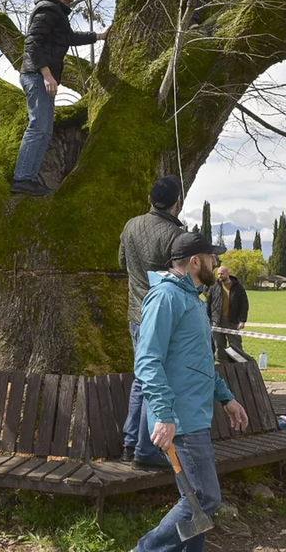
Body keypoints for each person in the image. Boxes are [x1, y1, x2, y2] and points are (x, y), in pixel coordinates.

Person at [133, 232, 249, 552]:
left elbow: (200, 362)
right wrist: (165, 414)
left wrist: (226, 398)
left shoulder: (193, 301)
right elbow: (147, 361)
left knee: (197, 502)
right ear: (195, 261)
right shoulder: (166, 297)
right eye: (212, 257)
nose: (217, 263)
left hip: (194, 414)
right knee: (204, 498)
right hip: (179, 419)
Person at [10, 0, 107, 196]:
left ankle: (29, 178)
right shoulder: (46, 10)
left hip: (42, 76)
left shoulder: (57, 13)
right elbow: (31, 43)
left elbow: (69, 38)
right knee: (38, 127)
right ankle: (22, 178)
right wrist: (46, 74)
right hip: (36, 75)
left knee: (45, 130)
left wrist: (99, 36)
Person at [118, 175, 186, 469]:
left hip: (135, 314)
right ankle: (145, 451)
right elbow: (180, 279)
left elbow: (122, 263)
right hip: (160, 318)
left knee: (141, 380)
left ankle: (129, 442)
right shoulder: (174, 236)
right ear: (177, 204)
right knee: (155, 382)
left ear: (150, 199)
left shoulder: (130, 225)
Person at [206, 266, 252, 364]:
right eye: (218, 274)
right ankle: (223, 366)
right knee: (219, 346)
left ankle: (239, 366)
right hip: (217, 322)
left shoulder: (238, 287)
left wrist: (242, 320)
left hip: (233, 321)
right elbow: (208, 302)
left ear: (228, 273)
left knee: (235, 346)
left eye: (222, 273)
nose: (220, 276)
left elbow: (244, 304)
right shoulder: (214, 286)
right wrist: (207, 318)